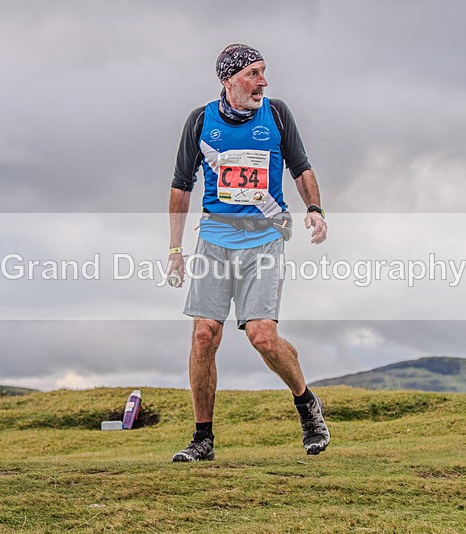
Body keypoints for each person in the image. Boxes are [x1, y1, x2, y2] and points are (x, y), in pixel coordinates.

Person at [168, 44, 330, 461]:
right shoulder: (200, 121)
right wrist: (175, 248)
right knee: (204, 334)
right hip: (214, 238)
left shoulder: (276, 114)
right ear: (229, 81)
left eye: (263, 72)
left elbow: (301, 167)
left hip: (264, 238)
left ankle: (306, 404)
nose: (263, 82)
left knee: (263, 337)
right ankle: (202, 438)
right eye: (253, 74)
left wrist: (314, 209)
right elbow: (181, 186)